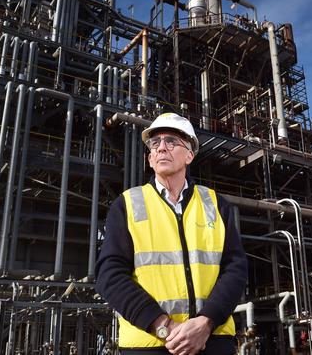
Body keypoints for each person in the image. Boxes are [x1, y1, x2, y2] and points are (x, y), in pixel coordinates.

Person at [95, 113, 248, 355]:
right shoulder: (128, 204)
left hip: (211, 342)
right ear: (149, 158)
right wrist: (163, 326)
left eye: (171, 141)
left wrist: (206, 322)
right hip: (148, 345)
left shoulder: (215, 204)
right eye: (155, 144)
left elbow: (235, 267)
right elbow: (109, 275)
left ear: (190, 155)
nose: (161, 147)